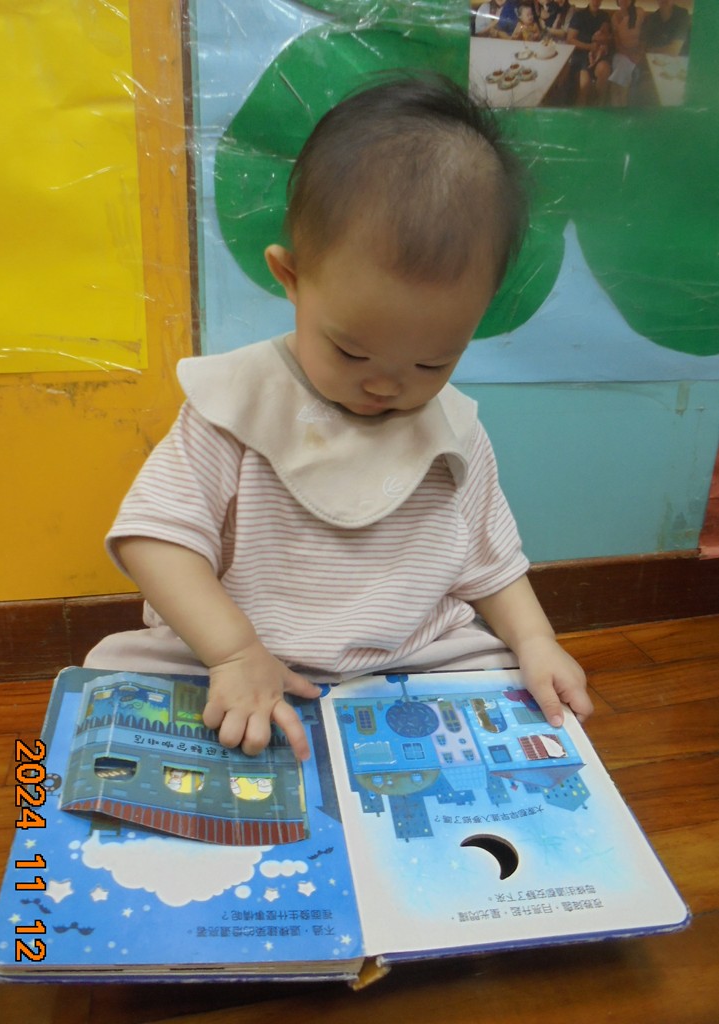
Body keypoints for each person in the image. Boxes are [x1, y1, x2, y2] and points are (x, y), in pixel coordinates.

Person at [85, 74, 592, 760]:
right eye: (350, 350)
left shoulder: (454, 432)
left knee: (503, 685)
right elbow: (155, 540)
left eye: (432, 362)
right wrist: (233, 652)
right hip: (230, 657)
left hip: (412, 658)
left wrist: (536, 640)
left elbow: (490, 564)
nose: (384, 384)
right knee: (118, 683)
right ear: (291, 278)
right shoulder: (233, 406)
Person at [567, 0, 613, 105]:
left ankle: (599, 105)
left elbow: (607, 35)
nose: (596, 1)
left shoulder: (604, 16)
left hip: (598, 53)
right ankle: (581, 108)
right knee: (585, 85)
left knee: (605, 69)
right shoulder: (579, 15)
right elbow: (570, 39)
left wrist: (603, 42)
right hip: (581, 54)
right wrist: (589, 46)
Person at [609, 0, 646, 106]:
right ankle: (623, 105)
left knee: (621, 69)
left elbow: (644, 38)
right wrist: (629, 55)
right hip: (621, 53)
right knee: (623, 64)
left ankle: (617, 105)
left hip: (637, 53)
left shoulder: (639, 12)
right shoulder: (615, 17)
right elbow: (617, 45)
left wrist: (639, 54)